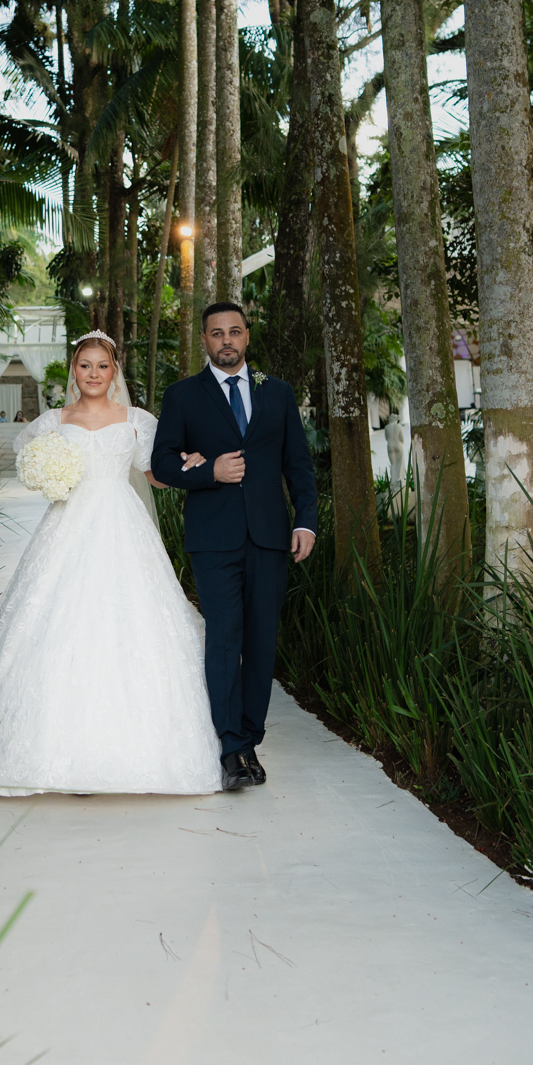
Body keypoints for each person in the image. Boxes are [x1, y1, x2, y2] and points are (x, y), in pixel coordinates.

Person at [0, 331, 221, 796]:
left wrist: (191, 464)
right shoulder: (54, 421)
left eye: (102, 366)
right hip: (67, 523)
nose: (93, 374)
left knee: (129, 620)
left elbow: (155, 474)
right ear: (74, 370)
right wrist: (49, 476)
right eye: (85, 365)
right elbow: (31, 462)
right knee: (61, 619)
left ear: (114, 371)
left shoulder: (136, 420)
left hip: (123, 523)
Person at [151, 302, 317, 793]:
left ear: (247, 336)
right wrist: (210, 471)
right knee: (224, 637)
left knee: (261, 640)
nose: (227, 340)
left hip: (270, 536)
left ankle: (249, 739)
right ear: (204, 339)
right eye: (217, 333)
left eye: (235, 331)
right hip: (213, 538)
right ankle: (230, 749)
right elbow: (162, 463)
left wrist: (306, 523)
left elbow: (298, 464)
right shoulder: (183, 395)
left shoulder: (277, 392)